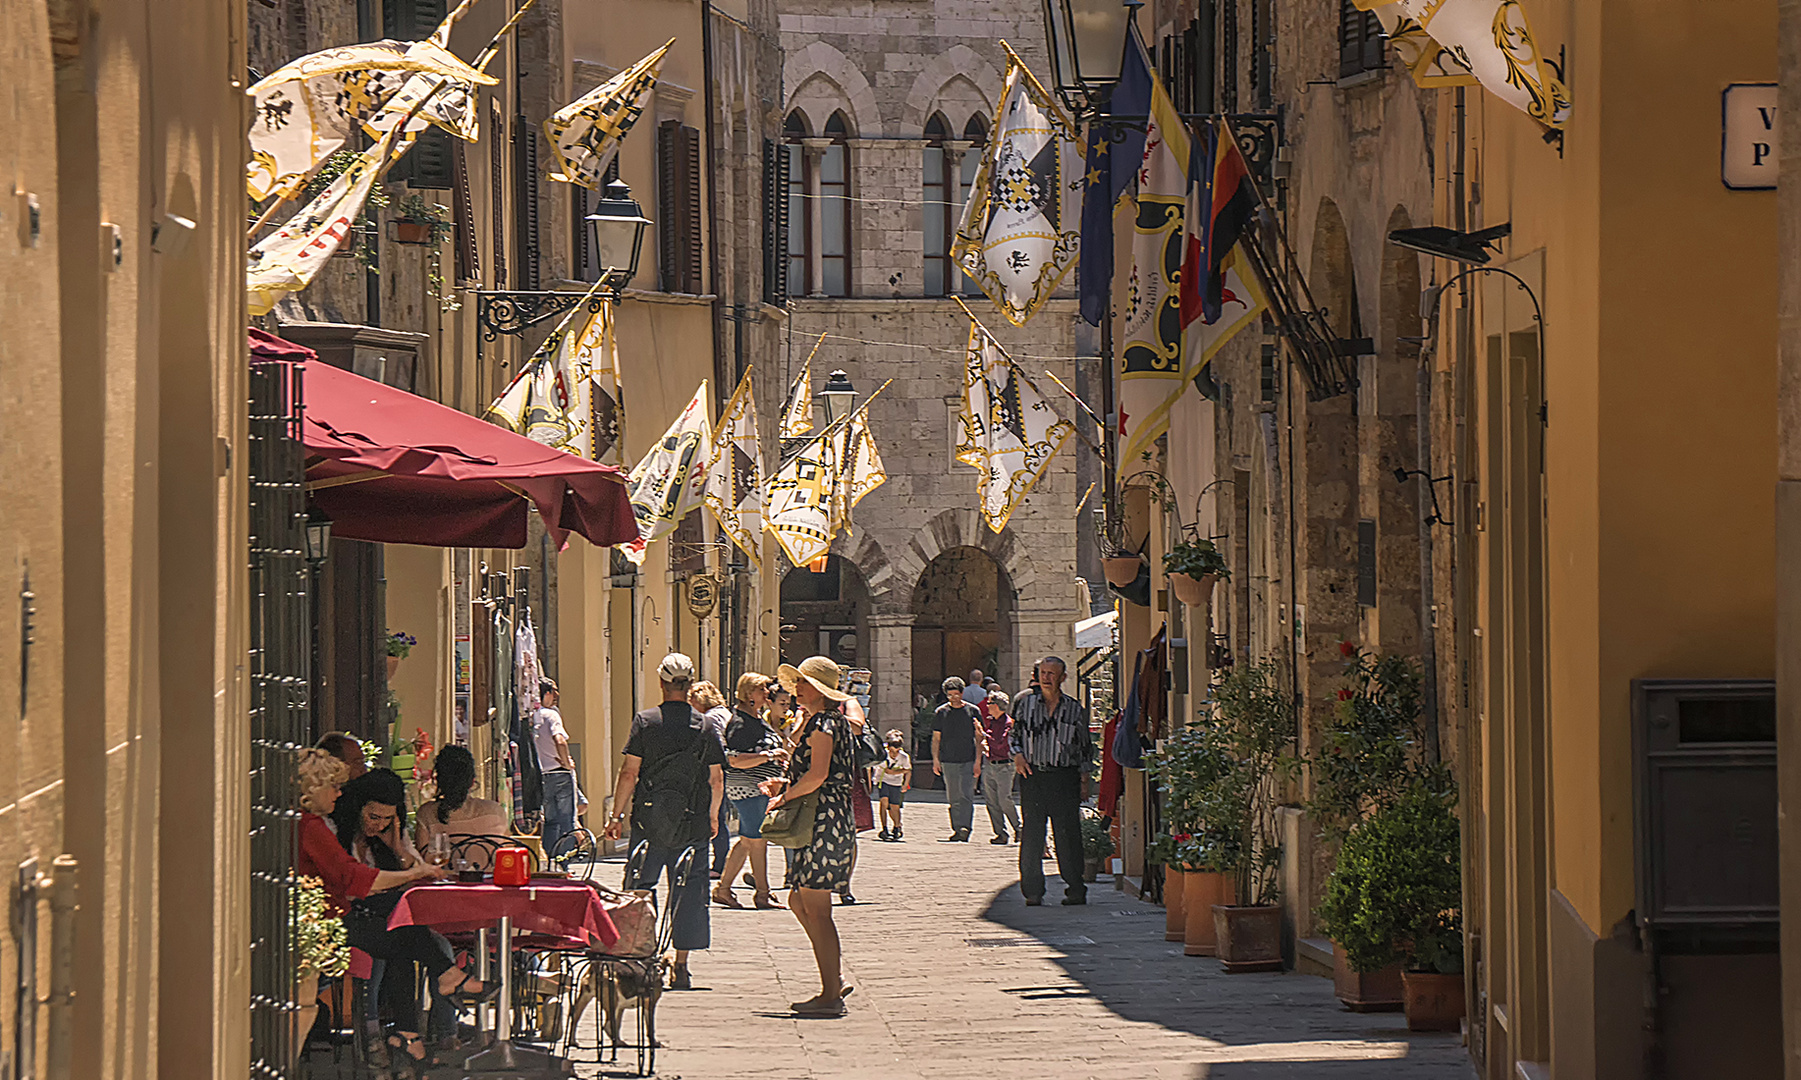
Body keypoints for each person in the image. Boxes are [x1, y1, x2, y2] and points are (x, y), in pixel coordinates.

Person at [304, 762, 481, 1069]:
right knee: (402, 938)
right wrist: (417, 871)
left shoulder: (381, 836)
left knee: (412, 936)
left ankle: (423, 1032)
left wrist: (396, 846)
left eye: (387, 818)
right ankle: (412, 1022)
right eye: (374, 816)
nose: (337, 793)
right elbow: (353, 880)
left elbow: (397, 879)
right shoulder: (321, 828)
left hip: (362, 915)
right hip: (338, 919)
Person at [602, 653, 725, 992]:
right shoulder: (704, 725)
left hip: (649, 821)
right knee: (689, 891)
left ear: (661, 683)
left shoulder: (645, 722)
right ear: (689, 685)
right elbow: (716, 778)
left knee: (641, 889)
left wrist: (616, 816)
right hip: (692, 821)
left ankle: (643, 957)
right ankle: (681, 965)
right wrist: (714, 815)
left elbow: (630, 772)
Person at [765, 656, 859, 1016]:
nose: (797, 689)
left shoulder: (824, 724)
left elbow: (818, 775)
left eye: (803, 684)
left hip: (824, 820)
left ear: (820, 691)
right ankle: (832, 977)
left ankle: (830, 994)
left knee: (817, 909)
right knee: (800, 901)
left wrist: (783, 796)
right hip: (823, 818)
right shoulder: (824, 722)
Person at [1010, 656, 1094, 906]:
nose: (1046, 678)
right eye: (1042, 672)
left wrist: (1084, 780)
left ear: (1063, 678)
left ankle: (1075, 887)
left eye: (1051, 674)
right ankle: (1033, 891)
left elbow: (1084, 747)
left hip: (1064, 776)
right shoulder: (1024, 704)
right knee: (1033, 834)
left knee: (1068, 834)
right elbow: (1013, 736)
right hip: (1033, 775)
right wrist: (1017, 756)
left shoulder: (1074, 708)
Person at [714, 673, 788, 910]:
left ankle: (723, 889)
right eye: (762, 689)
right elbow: (733, 759)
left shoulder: (757, 718)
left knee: (747, 840)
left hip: (760, 787)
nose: (768, 693)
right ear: (749, 693)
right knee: (758, 840)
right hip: (748, 788)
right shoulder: (740, 723)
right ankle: (763, 894)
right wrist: (768, 756)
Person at [415, 745, 509, 870]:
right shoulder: (495, 810)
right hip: (491, 883)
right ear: (471, 781)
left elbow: (424, 861)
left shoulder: (427, 813)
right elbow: (508, 852)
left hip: (447, 885)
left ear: (438, 779)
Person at [534, 679, 587, 864]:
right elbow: (560, 740)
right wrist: (566, 763)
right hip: (560, 774)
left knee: (549, 822)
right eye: (554, 691)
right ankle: (563, 863)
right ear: (546, 693)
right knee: (567, 821)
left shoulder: (532, 716)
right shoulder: (551, 715)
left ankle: (549, 862)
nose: (556, 696)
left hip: (542, 775)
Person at [689, 680, 735, 878]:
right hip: (731, 771)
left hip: (716, 772)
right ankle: (720, 862)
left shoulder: (710, 718)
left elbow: (714, 747)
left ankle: (718, 865)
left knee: (715, 816)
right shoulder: (725, 712)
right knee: (721, 816)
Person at [931, 676, 983, 842]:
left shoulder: (973, 711)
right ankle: (957, 828)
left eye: (957, 694)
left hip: (968, 758)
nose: (954, 697)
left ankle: (966, 827)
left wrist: (978, 761)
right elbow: (936, 738)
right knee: (953, 796)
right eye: (951, 695)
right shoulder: (941, 712)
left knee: (967, 795)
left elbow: (979, 737)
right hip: (948, 759)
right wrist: (936, 760)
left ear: (962, 693)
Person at [979, 690, 1022, 845]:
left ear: (996, 706)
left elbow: (1001, 744)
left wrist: (984, 736)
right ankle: (1000, 833)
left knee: (1004, 799)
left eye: (989, 703)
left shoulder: (1008, 723)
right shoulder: (992, 721)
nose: (987, 706)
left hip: (1005, 765)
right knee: (991, 801)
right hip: (990, 764)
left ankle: (1018, 828)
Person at [874, 730, 911, 841]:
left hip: (896, 782)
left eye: (897, 748)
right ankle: (884, 828)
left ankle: (897, 826)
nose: (894, 752)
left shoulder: (903, 757)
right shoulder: (883, 755)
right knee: (884, 801)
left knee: (894, 806)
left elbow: (908, 770)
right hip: (883, 780)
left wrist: (905, 784)